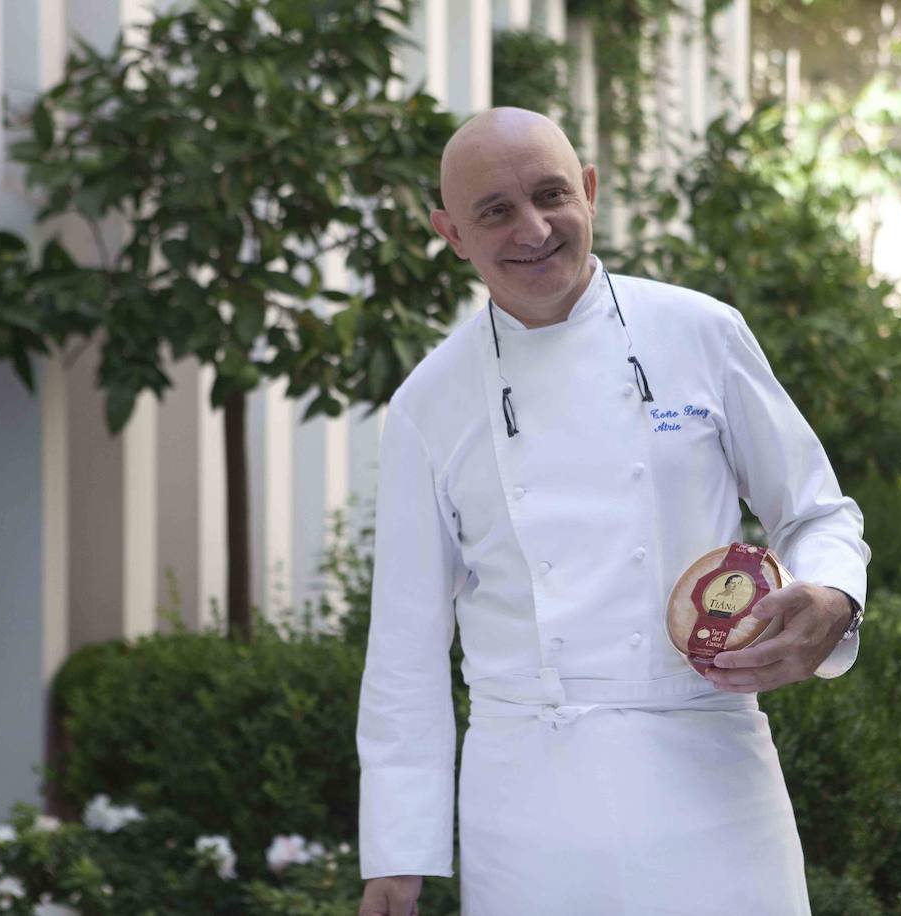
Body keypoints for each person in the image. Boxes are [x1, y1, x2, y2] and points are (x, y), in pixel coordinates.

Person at [356, 107, 869, 916]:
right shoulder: (429, 403)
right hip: (527, 799)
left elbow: (816, 512)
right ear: (452, 233)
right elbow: (405, 645)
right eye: (495, 211)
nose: (533, 230)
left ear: (589, 191)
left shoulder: (702, 332)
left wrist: (834, 598)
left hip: (710, 767)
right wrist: (397, 853)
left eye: (551, 195)